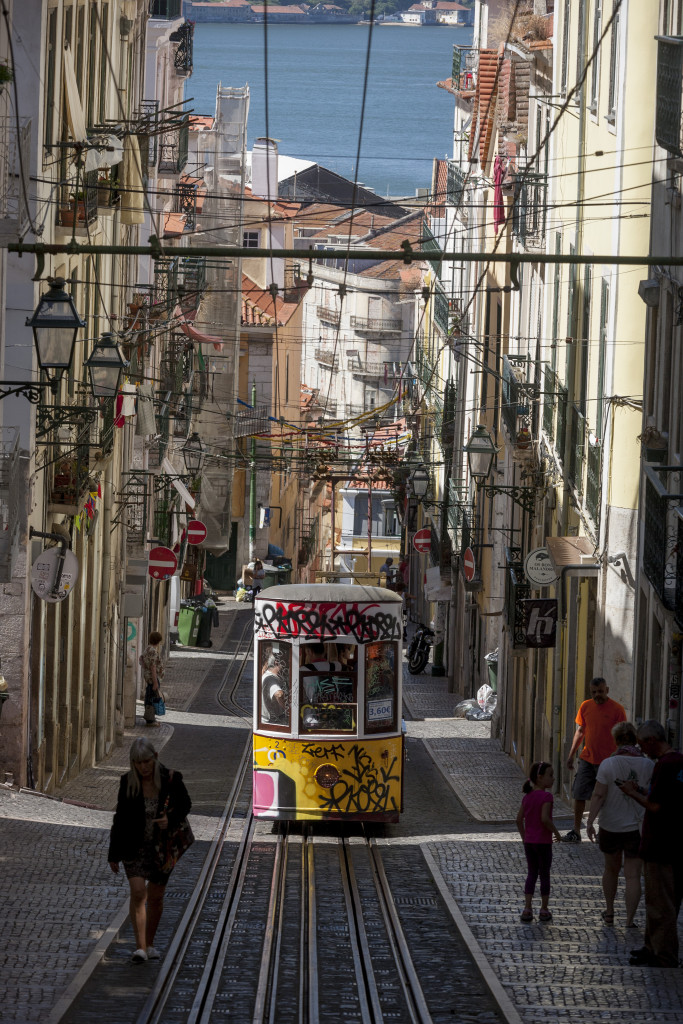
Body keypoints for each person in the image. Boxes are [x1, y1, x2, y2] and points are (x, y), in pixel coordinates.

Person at [108, 737, 192, 963]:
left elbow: (186, 804)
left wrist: (169, 819)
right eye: (138, 763)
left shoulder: (171, 779)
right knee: (138, 893)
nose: (143, 767)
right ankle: (140, 947)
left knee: (155, 897)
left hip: (161, 848)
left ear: (155, 758)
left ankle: (151, 942)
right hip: (133, 847)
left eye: (146, 761)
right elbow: (120, 818)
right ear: (133, 763)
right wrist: (113, 854)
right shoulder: (128, 782)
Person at [619, 720, 683, 967]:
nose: (641, 749)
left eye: (642, 743)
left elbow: (656, 807)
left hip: (660, 845)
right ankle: (651, 946)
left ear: (652, 741)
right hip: (675, 843)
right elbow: (666, 799)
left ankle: (663, 954)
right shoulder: (678, 762)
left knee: (660, 902)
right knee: (665, 900)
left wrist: (631, 793)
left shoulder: (665, 766)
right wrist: (644, 790)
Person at [585, 721, 654, 926]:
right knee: (633, 876)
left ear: (616, 741)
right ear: (635, 740)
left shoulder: (608, 764)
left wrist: (589, 822)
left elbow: (598, 795)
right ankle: (630, 919)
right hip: (637, 827)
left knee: (611, 870)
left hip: (611, 825)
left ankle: (609, 912)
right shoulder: (649, 765)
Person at [563, 677, 626, 842]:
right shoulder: (585, 706)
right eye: (594, 692)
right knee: (579, 793)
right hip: (587, 758)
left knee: (606, 797)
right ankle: (576, 831)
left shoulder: (617, 710)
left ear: (607, 690)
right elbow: (580, 731)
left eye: (600, 691)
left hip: (608, 762)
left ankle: (603, 830)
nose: (597, 695)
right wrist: (571, 755)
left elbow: (623, 737)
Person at [516, 761, 562, 922]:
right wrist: (556, 832)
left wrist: (524, 837)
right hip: (543, 842)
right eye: (550, 775)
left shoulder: (527, 797)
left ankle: (527, 908)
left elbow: (518, 819)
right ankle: (544, 908)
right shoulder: (546, 796)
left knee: (531, 873)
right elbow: (545, 818)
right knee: (544, 874)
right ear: (540, 778)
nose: (553, 779)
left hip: (529, 842)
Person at [140, 631, 164, 727]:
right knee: (151, 699)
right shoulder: (152, 651)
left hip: (149, 678)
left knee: (149, 697)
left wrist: (145, 668)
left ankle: (150, 719)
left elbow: (140, 659)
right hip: (152, 679)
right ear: (157, 641)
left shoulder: (147, 649)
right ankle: (150, 720)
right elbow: (153, 667)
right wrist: (155, 682)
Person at [261, 653, 289, 724]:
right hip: (273, 722)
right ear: (277, 663)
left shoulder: (268, 675)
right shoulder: (270, 679)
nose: (288, 666)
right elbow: (279, 694)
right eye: (286, 662)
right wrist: (288, 710)